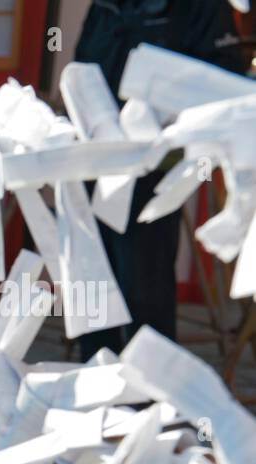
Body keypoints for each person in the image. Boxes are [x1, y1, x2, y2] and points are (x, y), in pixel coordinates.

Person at [74, 0, 247, 361]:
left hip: (154, 164)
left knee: (144, 280)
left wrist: (170, 110)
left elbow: (224, 75)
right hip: (95, 155)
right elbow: (82, 64)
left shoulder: (201, 7)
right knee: (91, 271)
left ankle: (151, 390)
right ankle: (94, 373)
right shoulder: (105, 5)